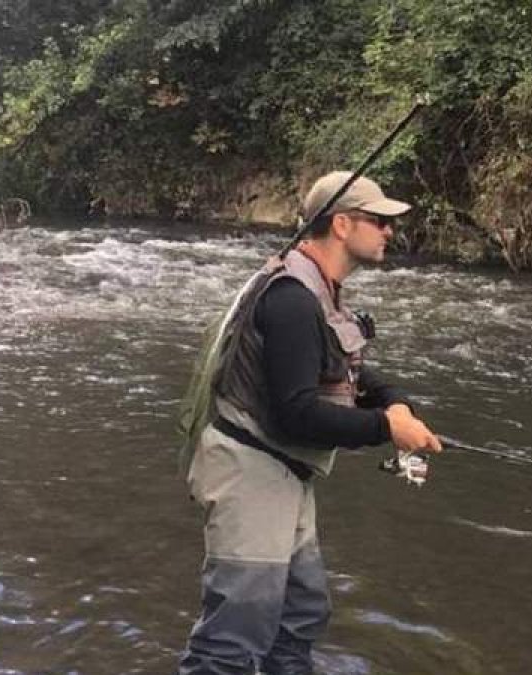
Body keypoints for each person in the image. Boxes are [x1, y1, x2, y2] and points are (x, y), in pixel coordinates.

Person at [178, 171, 443, 675]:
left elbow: (344, 369)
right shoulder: (292, 300)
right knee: (234, 638)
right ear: (342, 225)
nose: (389, 231)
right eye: (379, 220)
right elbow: (297, 412)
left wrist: (396, 404)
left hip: (283, 474)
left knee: (299, 615)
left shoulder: (317, 289)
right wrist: (386, 429)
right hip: (249, 474)